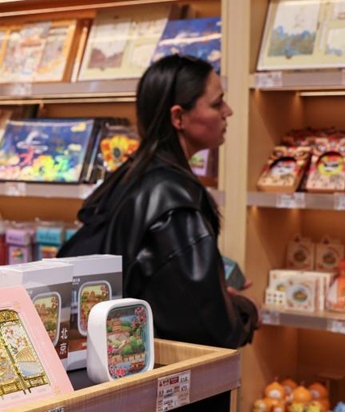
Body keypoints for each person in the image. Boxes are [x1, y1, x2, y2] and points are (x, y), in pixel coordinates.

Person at [58, 54, 259, 349]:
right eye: (217, 103)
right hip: (151, 368)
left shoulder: (131, 175)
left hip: (108, 355)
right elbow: (210, 329)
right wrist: (244, 310)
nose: (227, 111)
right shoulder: (175, 199)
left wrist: (214, 292)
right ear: (178, 117)